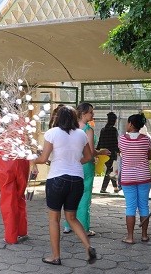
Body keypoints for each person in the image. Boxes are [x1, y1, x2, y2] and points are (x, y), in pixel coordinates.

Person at [31, 105, 97, 265]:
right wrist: (74, 162)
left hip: (57, 180)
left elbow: (44, 157)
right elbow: (88, 157)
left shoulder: (52, 133)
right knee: (72, 217)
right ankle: (88, 246)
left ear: (58, 118)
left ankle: (55, 256)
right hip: (76, 180)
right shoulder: (81, 134)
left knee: (54, 219)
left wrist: (32, 160)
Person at [63, 102, 109, 236]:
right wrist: (101, 152)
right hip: (85, 165)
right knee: (84, 196)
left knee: (70, 196)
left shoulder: (69, 127)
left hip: (71, 164)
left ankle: (68, 225)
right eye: (91, 112)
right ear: (83, 114)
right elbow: (90, 151)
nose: (93, 114)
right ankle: (83, 228)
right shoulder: (88, 129)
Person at [119, 113, 151, 244]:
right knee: (144, 206)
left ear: (131, 124)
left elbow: (122, 153)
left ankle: (130, 237)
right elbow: (149, 156)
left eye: (128, 123)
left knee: (130, 207)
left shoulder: (122, 139)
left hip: (128, 178)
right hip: (144, 177)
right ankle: (144, 235)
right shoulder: (146, 139)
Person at [0, 157, 30, 244]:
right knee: (20, 197)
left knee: (8, 200)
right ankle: (22, 232)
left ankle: (11, 237)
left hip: (4, 162)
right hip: (22, 161)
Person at [97, 112, 120, 193]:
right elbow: (115, 142)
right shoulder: (113, 130)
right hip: (111, 153)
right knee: (110, 170)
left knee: (111, 170)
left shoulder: (103, 130)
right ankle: (103, 188)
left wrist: (98, 152)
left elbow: (100, 141)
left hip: (103, 153)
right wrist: (118, 151)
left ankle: (115, 187)